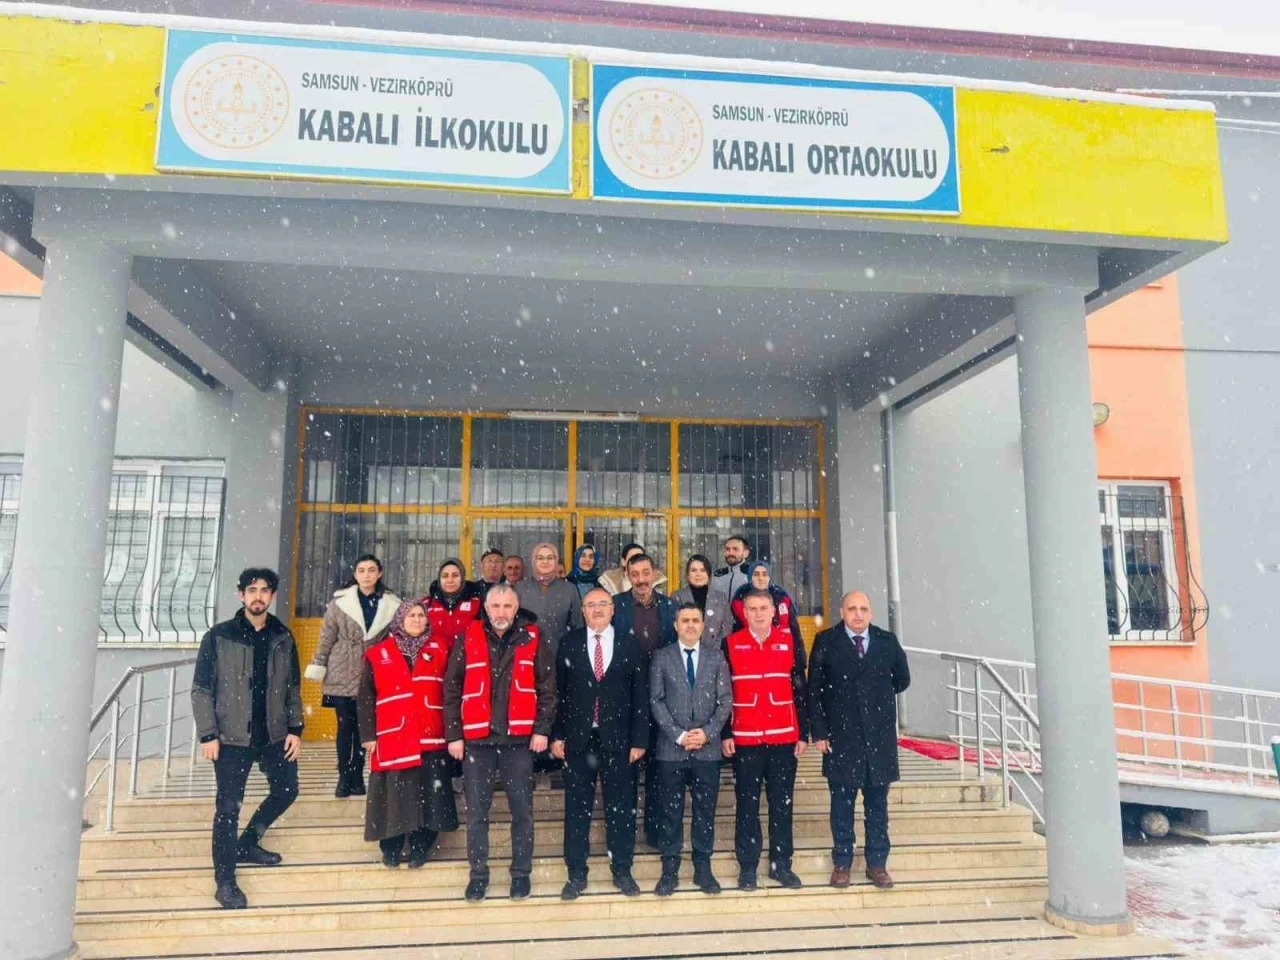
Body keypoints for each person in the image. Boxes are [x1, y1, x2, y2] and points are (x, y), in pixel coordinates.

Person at [191, 567, 303, 910]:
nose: (258, 596)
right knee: (228, 809)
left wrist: (295, 729)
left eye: (264, 590)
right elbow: (201, 690)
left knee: (287, 790)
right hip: (231, 739)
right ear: (241, 595)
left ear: (272, 596)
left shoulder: (283, 636)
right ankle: (225, 882)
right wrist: (208, 734)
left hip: (273, 735)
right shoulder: (220, 636)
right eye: (251, 590)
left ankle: (248, 842)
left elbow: (293, 688)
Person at [443, 584, 555, 902]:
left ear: (516, 608)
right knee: (477, 814)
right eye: (496, 606)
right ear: (486, 607)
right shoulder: (468, 636)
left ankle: (521, 875)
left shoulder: (533, 636)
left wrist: (541, 730)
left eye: (507, 606)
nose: (501, 612)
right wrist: (454, 734)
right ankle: (478, 875)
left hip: (518, 742)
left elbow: (547, 688)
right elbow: (451, 688)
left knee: (522, 813)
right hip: (477, 742)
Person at [809, 590, 911, 890]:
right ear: (841, 612)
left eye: (863, 609)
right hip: (841, 737)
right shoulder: (826, 641)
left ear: (871, 613)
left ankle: (877, 864)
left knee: (877, 806)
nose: (857, 614)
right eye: (851, 608)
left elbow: (902, 679)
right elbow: (814, 690)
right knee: (842, 806)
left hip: (879, 738)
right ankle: (842, 863)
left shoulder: (886, 641)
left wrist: (873, 697)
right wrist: (820, 732)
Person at [551, 587, 649, 899]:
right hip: (578, 740)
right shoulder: (570, 642)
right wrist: (557, 734)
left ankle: (622, 870)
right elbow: (559, 693)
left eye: (603, 604)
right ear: (582, 611)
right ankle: (576, 874)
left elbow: (640, 694)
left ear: (612, 609)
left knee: (620, 809)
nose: (597, 609)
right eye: (590, 604)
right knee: (576, 810)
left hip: (618, 741)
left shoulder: (629, 643)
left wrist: (639, 739)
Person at [358, 597, 459, 868]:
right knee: (392, 795)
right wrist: (368, 735)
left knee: (429, 795)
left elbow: (452, 689)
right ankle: (390, 847)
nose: (416, 620)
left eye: (421, 615)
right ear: (399, 620)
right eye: (411, 615)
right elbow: (365, 697)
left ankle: (420, 846)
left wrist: (454, 731)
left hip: (430, 733)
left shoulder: (442, 648)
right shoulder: (378, 652)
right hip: (392, 735)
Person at [723, 588, 809, 891]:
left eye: (763, 608)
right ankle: (748, 866)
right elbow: (723, 692)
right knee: (747, 805)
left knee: (781, 804)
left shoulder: (788, 642)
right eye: (752, 608)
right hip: (745, 738)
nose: (758, 613)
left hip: (783, 737)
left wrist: (803, 732)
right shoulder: (730, 644)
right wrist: (725, 733)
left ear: (774, 611)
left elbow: (800, 689)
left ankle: (781, 865)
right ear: (744, 613)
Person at [649, 602, 733, 896]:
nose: (690, 625)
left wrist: (707, 733)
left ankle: (703, 869)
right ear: (676, 625)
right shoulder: (662, 657)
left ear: (702, 625)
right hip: (671, 750)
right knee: (670, 812)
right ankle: (669, 870)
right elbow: (656, 700)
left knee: (704, 812)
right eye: (685, 620)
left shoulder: (716, 657)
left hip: (707, 751)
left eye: (695, 620)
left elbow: (725, 700)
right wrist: (680, 734)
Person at [304, 554, 400, 797]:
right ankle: (344, 776)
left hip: (373, 669)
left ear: (379, 573)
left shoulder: (392, 603)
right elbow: (327, 636)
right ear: (355, 574)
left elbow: (396, 638)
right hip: (342, 668)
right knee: (345, 726)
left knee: (364, 727)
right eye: (361, 570)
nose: (366, 575)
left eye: (371, 570)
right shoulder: (340, 603)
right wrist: (319, 663)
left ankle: (358, 776)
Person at [611, 552, 677, 846]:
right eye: (634, 574)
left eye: (645, 573)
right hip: (626, 697)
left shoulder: (670, 606)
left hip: (662, 696)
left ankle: (656, 832)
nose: (641, 580)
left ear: (654, 574)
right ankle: (623, 836)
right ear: (627, 575)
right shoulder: (616, 606)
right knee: (625, 770)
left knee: (659, 769)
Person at [515, 542, 584, 657]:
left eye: (550, 558)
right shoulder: (520, 588)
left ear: (556, 561)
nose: (545, 561)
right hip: (526, 655)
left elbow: (577, 625)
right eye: (540, 558)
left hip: (560, 655)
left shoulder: (569, 589)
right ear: (533, 561)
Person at [729, 560, 804, 653]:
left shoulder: (781, 596)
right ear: (750, 577)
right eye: (756, 574)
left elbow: (795, 632)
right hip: (748, 654)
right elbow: (734, 630)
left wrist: (799, 657)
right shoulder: (740, 596)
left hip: (781, 653)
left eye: (765, 574)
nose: (761, 578)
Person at [671, 554, 732, 645]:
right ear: (687, 574)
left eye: (703, 570)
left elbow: (727, 626)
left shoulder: (721, 597)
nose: (698, 574)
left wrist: (714, 649)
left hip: (715, 651)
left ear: (708, 574)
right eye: (693, 570)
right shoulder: (677, 596)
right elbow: (673, 628)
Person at [425, 558, 485, 650]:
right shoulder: (427, 604)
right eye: (445, 576)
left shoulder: (476, 604)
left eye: (455, 575)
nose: (450, 580)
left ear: (462, 578)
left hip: (465, 657)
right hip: (434, 657)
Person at [598, 542, 667, 596]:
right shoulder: (609, 582)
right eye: (632, 558)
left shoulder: (656, 581)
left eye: (640, 558)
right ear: (623, 562)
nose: (637, 561)